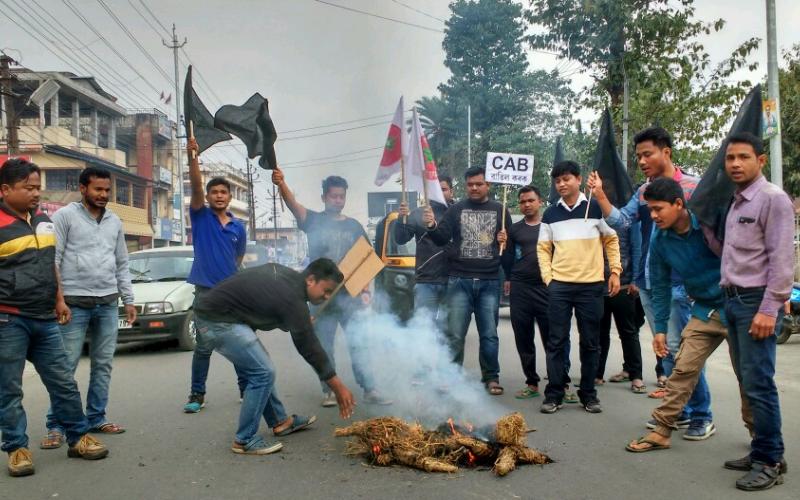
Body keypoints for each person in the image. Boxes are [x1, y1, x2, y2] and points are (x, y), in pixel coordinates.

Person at [588, 126, 708, 433]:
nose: (641, 161)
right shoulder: (644, 192)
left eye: (647, 154)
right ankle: (679, 410)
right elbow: (622, 221)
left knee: (687, 352)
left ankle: (701, 415)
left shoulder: (693, 188)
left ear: (666, 152)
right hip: (650, 282)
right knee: (665, 349)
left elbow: (709, 234)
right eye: (638, 156)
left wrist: (701, 279)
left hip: (682, 283)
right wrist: (600, 195)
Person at [625, 178, 755, 452]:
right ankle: (662, 430)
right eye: (650, 209)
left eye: (658, 209)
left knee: (748, 377)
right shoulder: (660, 240)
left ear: (678, 204)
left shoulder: (711, 224)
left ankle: (762, 440)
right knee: (682, 368)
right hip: (705, 310)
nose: (653, 216)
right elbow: (660, 286)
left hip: (737, 307)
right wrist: (660, 329)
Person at [0, 158, 109, 477]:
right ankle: (17, 448)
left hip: (45, 317)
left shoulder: (44, 220)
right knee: (9, 389)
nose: (36, 193)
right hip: (8, 319)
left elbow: (51, 265)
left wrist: (59, 299)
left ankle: (78, 437)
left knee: (63, 382)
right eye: (28, 188)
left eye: (38, 187)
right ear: (5, 189)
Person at [193, 259, 356, 455]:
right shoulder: (292, 298)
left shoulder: (291, 281)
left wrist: (300, 321)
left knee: (260, 367)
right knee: (263, 371)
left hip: (217, 315)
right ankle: (244, 440)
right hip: (216, 320)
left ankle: (280, 422)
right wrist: (338, 386)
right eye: (326, 290)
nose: (327, 297)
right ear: (311, 280)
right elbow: (308, 346)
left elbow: (275, 308)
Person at [272, 168, 390, 407]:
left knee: (359, 343)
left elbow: (365, 259)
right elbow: (294, 205)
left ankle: (369, 388)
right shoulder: (314, 221)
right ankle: (328, 390)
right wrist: (282, 184)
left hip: (350, 297)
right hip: (320, 297)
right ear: (324, 197)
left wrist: (365, 290)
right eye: (333, 196)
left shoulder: (354, 226)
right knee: (323, 344)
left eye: (341, 196)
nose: (338, 200)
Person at [39, 167, 134, 450]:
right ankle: (56, 425)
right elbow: (53, 260)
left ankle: (96, 417)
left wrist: (128, 299)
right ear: (83, 189)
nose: (103, 195)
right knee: (65, 368)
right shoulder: (65, 216)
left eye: (107, 190)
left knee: (103, 365)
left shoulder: (114, 221)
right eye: (98, 189)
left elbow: (122, 263)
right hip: (74, 304)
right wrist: (58, 299)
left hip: (108, 303)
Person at [718, 132, 792, 491]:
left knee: (759, 383)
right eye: (730, 158)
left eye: (743, 157)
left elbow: (782, 259)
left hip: (755, 302)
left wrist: (769, 308)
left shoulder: (772, 199)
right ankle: (762, 448)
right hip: (732, 301)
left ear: (760, 160)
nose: (735, 164)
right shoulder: (736, 203)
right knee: (748, 382)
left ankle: (771, 460)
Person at [537, 160, 621, 414]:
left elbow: (611, 240)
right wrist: (549, 279)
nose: (561, 184)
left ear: (578, 179)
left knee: (591, 343)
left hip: (591, 287)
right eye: (557, 181)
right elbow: (543, 249)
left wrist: (615, 271)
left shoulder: (595, 208)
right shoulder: (550, 213)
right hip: (560, 286)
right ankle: (554, 393)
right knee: (556, 341)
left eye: (566, 179)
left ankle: (588, 394)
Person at [423, 167, 511, 395]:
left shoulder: (500, 210)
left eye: (479, 184)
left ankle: (491, 378)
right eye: (470, 184)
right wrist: (432, 226)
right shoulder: (456, 209)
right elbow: (441, 238)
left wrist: (505, 239)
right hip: (459, 280)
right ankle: (451, 377)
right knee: (454, 333)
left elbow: (509, 249)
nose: (474, 188)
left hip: (489, 281)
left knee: (489, 334)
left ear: (488, 185)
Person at [183, 137, 248, 413]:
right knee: (204, 347)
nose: (219, 195)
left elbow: (238, 258)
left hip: (232, 294)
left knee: (240, 344)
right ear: (208, 197)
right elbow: (196, 185)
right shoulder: (200, 216)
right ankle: (197, 395)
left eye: (223, 192)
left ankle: (246, 389)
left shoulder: (238, 227)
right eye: (214, 192)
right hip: (205, 294)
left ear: (229, 197)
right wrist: (193, 157)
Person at [503, 186, 552, 399]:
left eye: (531, 200)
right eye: (523, 202)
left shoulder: (551, 227)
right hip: (520, 287)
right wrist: (507, 277)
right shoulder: (514, 230)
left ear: (540, 202)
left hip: (547, 287)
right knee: (523, 337)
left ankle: (560, 382)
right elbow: (507, 258)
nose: (527, 205)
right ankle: (531, 382)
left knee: (552, 338)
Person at [595, 219, 646, 394]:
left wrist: (635, 280)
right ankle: (597, 374)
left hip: (623, 285)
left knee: (628, 333)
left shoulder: (629, 219)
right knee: (600, 333)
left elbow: (637, 249)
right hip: (597, 285)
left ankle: (636, 376)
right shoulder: (593, 216)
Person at [394, 175, 454, 321]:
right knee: (424, 327)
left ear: (451, 191)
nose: (439, 193)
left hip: (455, 280)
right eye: (435, 190)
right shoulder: (418, 214)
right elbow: (400, 239)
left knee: (451, 329)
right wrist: (401, 219)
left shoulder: (459, 212)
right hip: (426, 281)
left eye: (443, 189)